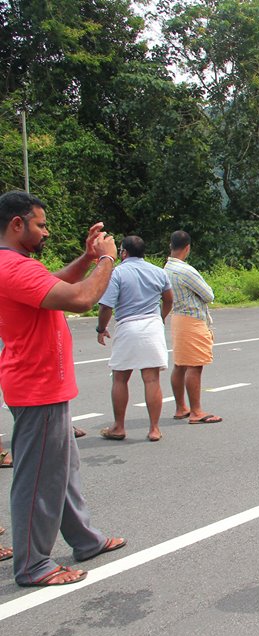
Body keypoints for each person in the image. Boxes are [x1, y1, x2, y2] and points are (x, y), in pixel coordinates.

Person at [0, 190, 126, 587]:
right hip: (36, 386)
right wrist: (107, 259)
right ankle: (33, 565)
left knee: (61, 470)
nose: (46, 232)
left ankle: (84, 539)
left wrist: (87, 259)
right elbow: (81, 298)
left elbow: (53, 285)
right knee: (38, 478)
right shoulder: (11, 266)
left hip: (42, 384)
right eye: (40, 225)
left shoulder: (16, 265)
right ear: (16, 224)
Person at [97, 236, 173, 442]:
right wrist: (160, 318)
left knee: (120, 378)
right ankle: (154, 429)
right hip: (152, 327)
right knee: (152, 378)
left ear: (124, 252)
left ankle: (119, 427)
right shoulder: (158, 272)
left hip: (128, 326)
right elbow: (169, 300)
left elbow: (106, 306)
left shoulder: (117, 273)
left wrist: (101, 328)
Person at [164, 231, 221, 424]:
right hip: (192, 319)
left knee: (180, 364)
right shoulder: (186, 270)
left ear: (171, 246)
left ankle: (181, 407)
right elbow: (209, 295)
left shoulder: (166, 268)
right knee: (194, 365)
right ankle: (196, 411)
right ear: (187, 247)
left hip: (177, 317)